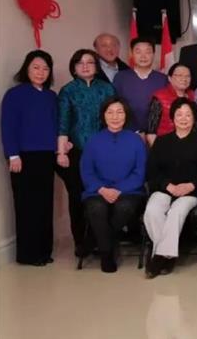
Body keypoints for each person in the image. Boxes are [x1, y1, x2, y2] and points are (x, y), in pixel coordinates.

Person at [0, 50, 58, 266]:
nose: (40, 72)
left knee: (45, 204)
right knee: (27, 206)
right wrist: (13, 154)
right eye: (36, 67)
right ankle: (28, 255)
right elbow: (8, 126)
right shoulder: (15, 95)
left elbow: (55, 125)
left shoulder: (51, 96)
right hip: (23, 157)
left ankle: (44, 251)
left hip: (47, 156)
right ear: (26, 68)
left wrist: (62, 145)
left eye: (45, 68)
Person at [57, 49, 115, 256]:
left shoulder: (107, 88)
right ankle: (80, 242)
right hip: (76, 152)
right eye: (80, 63)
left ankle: (99, 240)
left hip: (104, 151)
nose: (85, 66)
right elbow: (63, 124)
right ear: (74, 67)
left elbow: (115, 119)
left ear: (96, 67)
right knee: (78, 196)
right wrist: (61, 152)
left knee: (103, 195)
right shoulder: (68, 90)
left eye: (90, 62)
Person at [143, 98, 197, 278]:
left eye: (188, 115)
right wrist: (167, 185)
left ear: (194, 118)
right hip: (165, 188)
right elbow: (152, 171)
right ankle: (167, 255)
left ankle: (158, 258)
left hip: (191, 191)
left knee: (176, 211)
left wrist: (191, 185)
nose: (183, 118)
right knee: (152, 210)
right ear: (172, 118)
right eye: (179, 114)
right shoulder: (162, 141)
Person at [80, 97, 146, 273]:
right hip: (97, 191)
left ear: (126, 115)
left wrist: (119, 189)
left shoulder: (136, 140)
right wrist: (102, 189)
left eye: (119, 112)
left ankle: (96, 239)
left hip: (129, 191)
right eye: (110, 112)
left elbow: (139, 172)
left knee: (124, 207)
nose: (115, 117)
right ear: (103, 115)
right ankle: (107, 254)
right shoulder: (93, 140)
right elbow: (87, 171)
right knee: (97, 208)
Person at [113, 37, 168, 134]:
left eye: (148, 52)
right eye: (138, 52)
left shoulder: (163, 79)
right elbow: (114, 106)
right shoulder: (120, 77)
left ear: (153, 54)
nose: (143, 56)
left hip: (155, 134)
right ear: (131, 54)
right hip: (127, 133)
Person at [146, 63, 194, 146]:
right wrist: (158, 150)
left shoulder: (193, 95)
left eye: (187, 76)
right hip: (165, 145)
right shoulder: (159, 96)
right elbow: (151, 132)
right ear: (169, 78)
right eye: (179, 75)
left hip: (189, 144)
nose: (184, 79)